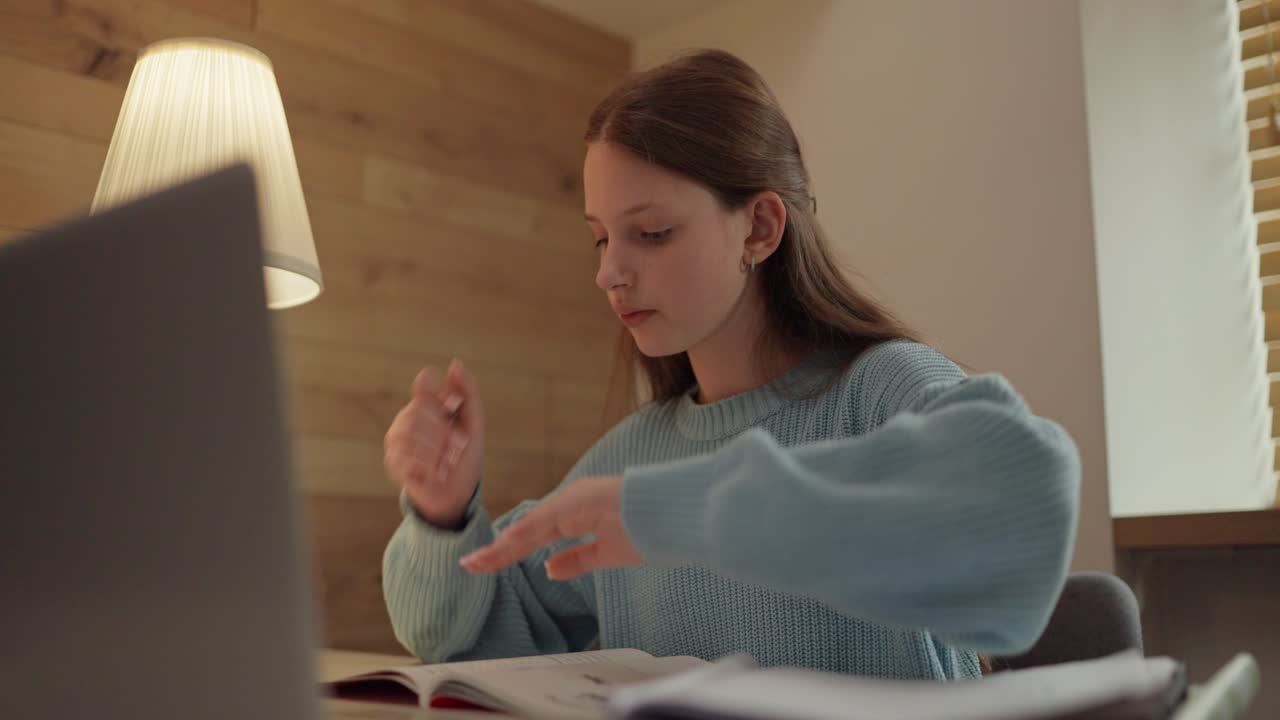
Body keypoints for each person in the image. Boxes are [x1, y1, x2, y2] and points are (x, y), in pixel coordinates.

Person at [380, 49, 1080, 681]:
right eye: (600, 239)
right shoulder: (629, 458)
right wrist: (444, 516)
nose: (609, 273)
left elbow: (1024, 501)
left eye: (651, 232)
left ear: (761, 228)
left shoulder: (881, 389)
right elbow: (465, 644)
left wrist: (686, 512)